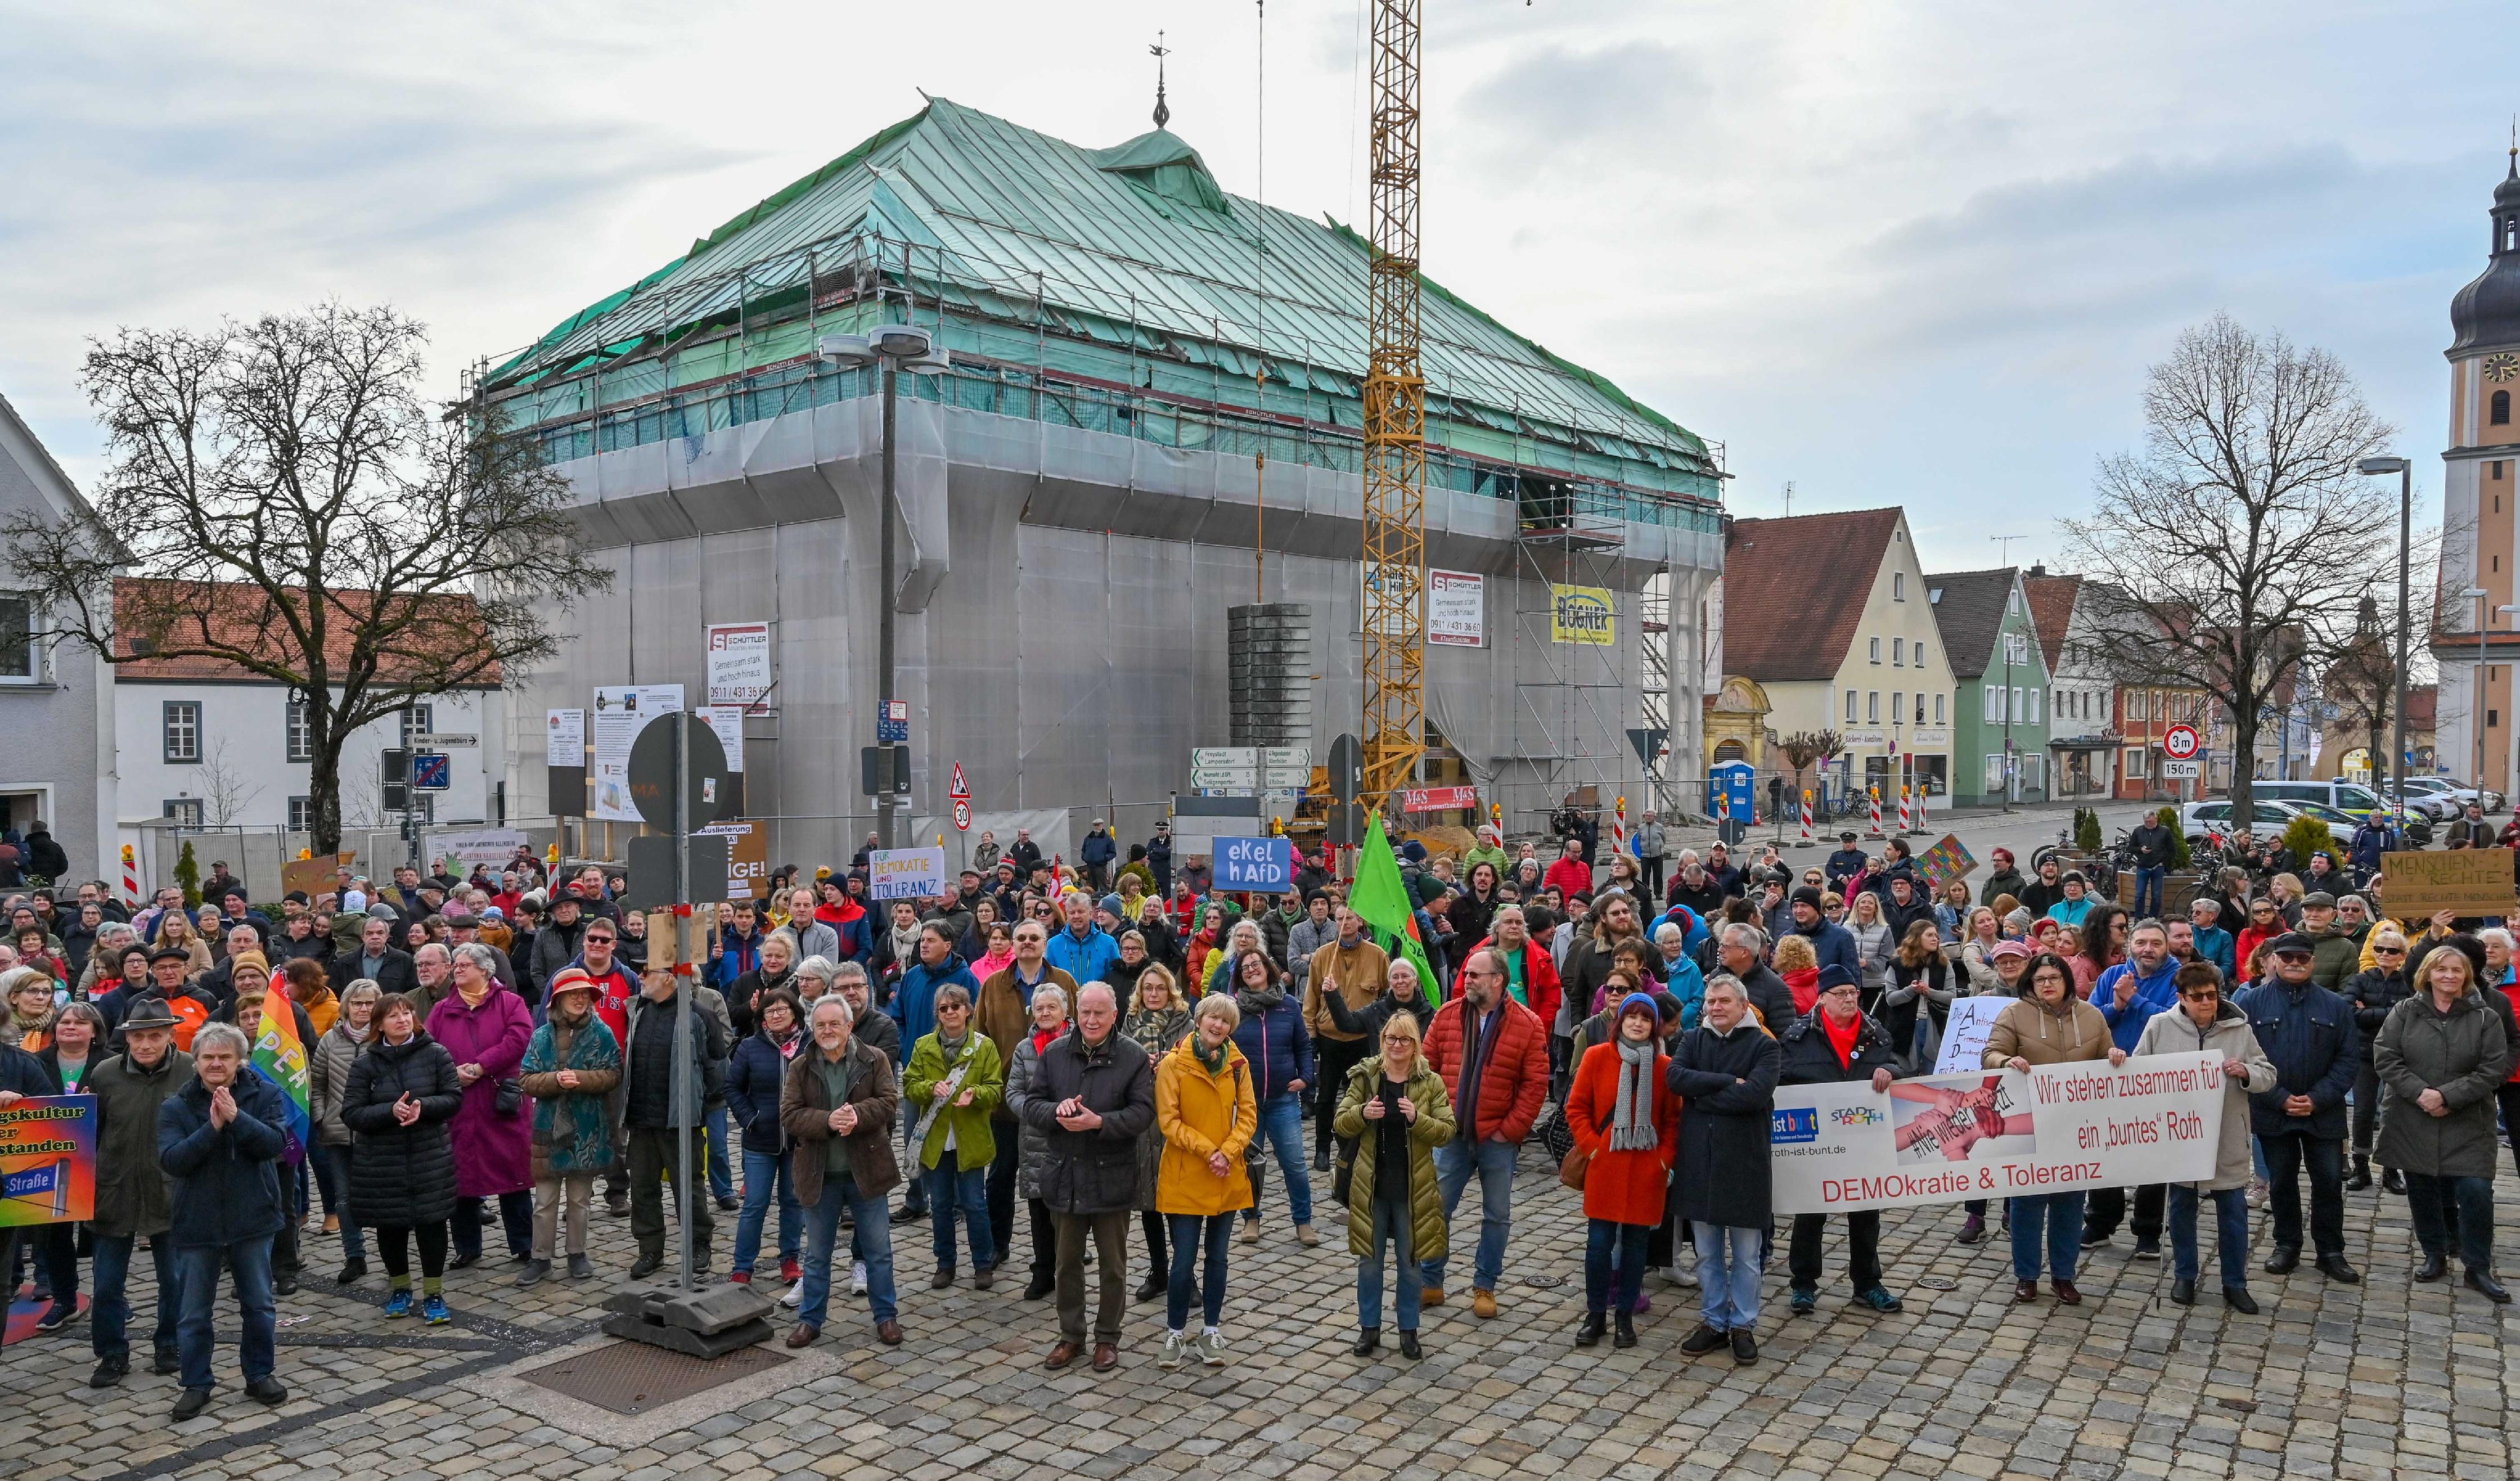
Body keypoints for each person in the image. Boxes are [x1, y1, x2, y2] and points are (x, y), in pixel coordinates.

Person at [2122, 962, 2276, 1310]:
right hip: (2180, 1135)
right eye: (2198, 997)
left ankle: (2235, 1282)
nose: (2207, 1002)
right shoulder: (2160, 1026)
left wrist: (2246, 1072)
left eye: (2212, 995)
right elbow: (2138, 1072)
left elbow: (2269, 1075)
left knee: (2234, 1213)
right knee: (2180, 1208)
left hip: (2226, 1134)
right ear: (2181, 998)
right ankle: (2185, 1275)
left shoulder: (2239, 1029)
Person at [1020, 982, 1156, 1372]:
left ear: (1115, 1015)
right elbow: (1033, 1104)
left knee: (1113, 1264)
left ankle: (1107, 1337)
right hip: (1065, 1171)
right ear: (1075, 1014)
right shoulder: (1056, 1052)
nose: (1092, 1020)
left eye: (1100, 1013)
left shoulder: (1132, 1056)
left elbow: (1143, 1112)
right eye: (1085, 1012)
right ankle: (1071, 1335)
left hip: (1111, 1172)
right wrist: (1057, 1110)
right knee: (1067, 1262)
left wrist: (1100, 1121)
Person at [157, 1022, 290, 1418]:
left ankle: (259, 1373)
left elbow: (275, 1145)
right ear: (195, 1061)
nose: (216, 1063)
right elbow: (173, 1160)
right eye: (208, 1057)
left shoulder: (265, 1093)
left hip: (253, 1216)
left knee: (260, 1305)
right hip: (197, 1222)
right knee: (194, 1311)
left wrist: (237, 1118)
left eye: (224, 1057)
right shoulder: (175, 1106)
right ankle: (196, 1383)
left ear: (239, 1060)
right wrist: (213, 1127)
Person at [1411, 946, 1550, 1316]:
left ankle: (1485, 1285)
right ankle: (1431, 1282)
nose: (1467, 979)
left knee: (1497, 1215)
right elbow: (1425, 1071)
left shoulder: (1528, 1023)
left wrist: (1512, 1129)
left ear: (1498, 979)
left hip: (1497, 1140)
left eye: (1475, 974)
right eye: (1467, 973)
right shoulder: (1447, 1015)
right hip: (1451, 1137)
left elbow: (1535, 1083)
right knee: (1436, 1209)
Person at [2375, 943, 2512, 1300]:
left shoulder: (2487, 1017)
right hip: (2412, 1115)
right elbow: (2387, 1057)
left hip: (2467, 1120)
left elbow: (2492, 1069)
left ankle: (2477, 1266)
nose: (2449, 976)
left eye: (2456, 970)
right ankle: (2434, 1254)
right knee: (2422, 1189)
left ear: (2467, 975)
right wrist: (2422, 1094)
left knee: (2475, 1191)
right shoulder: (2405, 1012)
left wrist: (2447, 1096)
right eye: (2441, 969)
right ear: (2428, 974)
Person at [2231, 930, 2361, 1285]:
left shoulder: (2335, 1005)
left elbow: (2348, 1060)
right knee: (2282, 1183)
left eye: (2301, 959)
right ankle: (2286, 1245)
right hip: (2273, 1109)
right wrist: (2278, 1097)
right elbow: (2242, 1059)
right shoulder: (2251, 1004)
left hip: (2324, 1112)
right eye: (2286, 957)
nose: (2293, 963)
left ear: (2312, 963)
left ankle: (2331, 1251)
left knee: (2329, 1183)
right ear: (2273, 960)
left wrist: (2318, 1099)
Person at [1984, 952, 2113, 1304]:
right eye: (2040, 979)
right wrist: (2007, 1060)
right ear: (2031, 982)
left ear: (2066, 981)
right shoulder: (2014, 1014)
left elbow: (2107, 1056)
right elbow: (1990, 1054)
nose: (2047, 985)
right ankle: (2026, 1275)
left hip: (2076, 1126)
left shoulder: (2091, 1015)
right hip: (2030, 1124)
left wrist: (2116, 1057)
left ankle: (2064, 1276)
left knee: (2070, 1205)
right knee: (2028, 1203)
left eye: (2054, 978)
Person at [1776, 973, 1906, 1316]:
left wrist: (1891, 1069)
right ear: (1822, 999)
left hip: (1863, 1140)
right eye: (1841, 994)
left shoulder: (1875, 1034)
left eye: (1854, 993)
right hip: (1817, 1141)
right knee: (1811, 1213)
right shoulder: (1798, 1039)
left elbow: (1903, 1066)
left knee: (1866, 1214)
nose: (1850, 999)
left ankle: (1867, 1283)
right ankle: (1803, 1283)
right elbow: (1779, 1080)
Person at [780, 996, 906, 1345]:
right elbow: (789, 1115)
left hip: (865, 1171)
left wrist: (858, 1116)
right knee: (817, 1254)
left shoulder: (873, 1058)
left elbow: (889, 1101)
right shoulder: (801, 1067)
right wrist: (828, 1121)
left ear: (849, 1026)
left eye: (835, 1024)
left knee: (878, 1251)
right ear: (812, 1029)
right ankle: (810, 1321)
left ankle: (886, 1317)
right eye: (820, 1025)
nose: (827, 1030)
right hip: (820, 1176)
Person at [1331, 1009, 1454, 1360]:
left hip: (1413, 1189)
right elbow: (1340, 1123)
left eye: (1404, 1040)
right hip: (1371, 1186)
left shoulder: (1429, 1082)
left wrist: (1418, 1119)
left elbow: (1447, 1131)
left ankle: (1408, 1330)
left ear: (1415, 1045)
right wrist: (1361, 1115)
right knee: (1369, 1262)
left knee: (1410, 1261)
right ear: (1382, 1041)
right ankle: (1369, 1328)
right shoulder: (1367, 1076)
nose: (1396, 1045)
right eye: (1390, 1039)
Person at [1668, 976, 1778, 1365]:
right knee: (1707, 1254)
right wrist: (1727, 1081)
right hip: (1700, 1160)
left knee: (1747, 1256)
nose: (1715, 1006)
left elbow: (1755, 1095)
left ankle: (1743, 1324)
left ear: (1743, 1004)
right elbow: (1676, 1078)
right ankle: (1714, 1320)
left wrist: (1702, 1096)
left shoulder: (1765, 1045)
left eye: (1724, 1000)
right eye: (1711, 1000)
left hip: (1745, 1163)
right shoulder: (1694, 1040)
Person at [84, 1000, 192, 1388]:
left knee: (175, 1279)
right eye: (138, 1036)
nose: (145, 1044)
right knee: (108, 1282)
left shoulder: (190, 1070)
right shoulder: (105, 1073)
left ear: (170, 1035)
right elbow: (87, 1135)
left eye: (154, 1036)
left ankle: (170, 1343)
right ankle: (112, 1353)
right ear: (126, 1037)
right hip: (113, 1190)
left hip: (171, 1191)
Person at [1564, 992, 1681, 1349]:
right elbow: (1577, 1108)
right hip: (1607, 1165)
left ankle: (1625, 1318)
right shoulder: (1597, 1056)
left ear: (1654, 1026)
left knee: (1635, 1248)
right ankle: (1596, 1314)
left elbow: (1673, 1120)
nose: (1637, 1023)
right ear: (1620, 1021)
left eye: (1645, 1019)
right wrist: (1594, 1148)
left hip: (1646, 1169)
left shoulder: (1664, 1066)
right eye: (1632, 1016)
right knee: (1598, 1245)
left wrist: (1663, 1159)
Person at [343, 992, 464, 1322]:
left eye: (407, 1013)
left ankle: (434, 1293)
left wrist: (423, 1108)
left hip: (429, 1156)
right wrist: (389, 1111)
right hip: (382, 1162)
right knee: (391, 1228)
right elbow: (352, 1113)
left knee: (432, 1226)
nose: (402, 1019)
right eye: (394, 1015)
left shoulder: (436, 1054)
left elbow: (453, 1098)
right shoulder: (365, 1064)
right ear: (380, 1025)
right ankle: (400, 1288)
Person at [1153, 993, 1256, 1367]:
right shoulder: (1172, 1065)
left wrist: (1226, 1152)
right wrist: (1207, 1150)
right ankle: (1175, 1332)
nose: (1218, 1025)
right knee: (1183, 1261)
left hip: (1226, 1174)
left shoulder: (1238, 1064)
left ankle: (1211, 1328)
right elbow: (1169, 1121)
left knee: (1218, 1257)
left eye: (1226, 1021)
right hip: (1186, 1174)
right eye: (1213, 1017)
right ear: (1199, 1019)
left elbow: (1248, 1115)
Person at [424, 943, 535, 1267]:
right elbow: (429, 1049)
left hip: (501, 1104)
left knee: (513, 1178)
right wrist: (453, 1073)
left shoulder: (510, 1004)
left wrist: (480, 1066)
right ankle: (467, 1247)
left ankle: (523, 1244)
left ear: (485, 971)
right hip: (460, 1105)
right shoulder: (442, 1010)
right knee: (463, 1180)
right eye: (456, 965)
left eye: (465, 965)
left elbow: (518, 1040)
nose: (457, 970)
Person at [622, 965, 728, 1278]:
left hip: (681, 1122)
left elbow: (718, 1069)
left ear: (668, 977)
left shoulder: (699, 1015)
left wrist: (695, 1105)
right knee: (642, 1189)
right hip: (641, 1120)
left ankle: (699, 1244)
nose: (640, 977)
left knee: (689, 1189)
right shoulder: (639, 1010)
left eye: (647, 972)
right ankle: (650, 1249)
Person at [517, 970, 622, 1286]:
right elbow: (525, 1078)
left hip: (588, 1127)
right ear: (559, 999)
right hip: (549, 1126)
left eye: (585, 994)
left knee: (580, 1200)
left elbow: (614, 1073)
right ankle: (540, 1258)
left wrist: (583, 1079)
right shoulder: (541, 1036)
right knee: (545, 1200)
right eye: (573, 993)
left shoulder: (602, 1033)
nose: (580, 999)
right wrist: (553, 1081)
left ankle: (577, 1253)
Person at [905, 984, 1006, 1289]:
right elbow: (910, 1085)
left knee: (975, 1204)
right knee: (941, 1205)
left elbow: (996, 1089)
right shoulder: (924, 1046)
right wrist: (929, 1088)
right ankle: (945, 1264)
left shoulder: (984, 1046)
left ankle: (983, 1264)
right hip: (937, 1140)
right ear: (937, 1014)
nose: (950, 1013)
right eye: (944, 1009)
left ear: (968, 1010)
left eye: (956, 1007)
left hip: (969, 1138)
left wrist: (975, 1094)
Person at [1225, 947, 1315, 1246]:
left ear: (1268, 968)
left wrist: (1305, 1077)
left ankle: (1303, 1221)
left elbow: (1304, 1046)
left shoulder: (1289, 1005)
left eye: (1256, 964)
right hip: (1247, 1104)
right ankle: (1251, 1218)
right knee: (1250, 1164)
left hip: (1283, 1100)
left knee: (1295, 1164)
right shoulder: (1233, 1009)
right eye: (1245, 967)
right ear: (1239, 976)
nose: (1251, 969)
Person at [1120, 964, 1192, 1302]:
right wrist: (1139, 1065)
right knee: (1148, 1202)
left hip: (1176, 1117)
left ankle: (1186, 1275)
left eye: (1159, 989)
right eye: (1148, 988)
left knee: (1178, 1202)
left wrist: (1171, 1062)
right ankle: (1159, 1270)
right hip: (1141, 1119)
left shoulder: (1186, 1023)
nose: (1153, 994)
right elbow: (1116, 1065)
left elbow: (1199, 1065)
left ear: (1170, 991)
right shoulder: (1129, 1024)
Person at [1304, 907, 1390, 1171]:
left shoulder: (1378, 956)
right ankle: (1322, 1148)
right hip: (1330, 1037)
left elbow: (1388, 998)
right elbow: (1311, 999)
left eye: (1350, 918)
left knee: (1365, 1096)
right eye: (1340, 918)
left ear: (1360, 921)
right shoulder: (1322, 956)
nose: (1345, 923)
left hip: (1363, 1039)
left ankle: (1357, 1147)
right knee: (1326, 1097)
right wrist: (1311, 1034)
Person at [308, 979, 381, 1283]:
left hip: (377, 1131)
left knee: (383, 1196)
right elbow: (318, 1084)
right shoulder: (330, 1039)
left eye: (369, 1003)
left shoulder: (384, 1038)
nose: (363, 1009)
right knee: (344, 1198)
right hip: (338, 1132)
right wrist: (321, 1117)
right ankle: (355, 1256)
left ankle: (393, 1255)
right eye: (357, 1003)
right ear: (346, 1006)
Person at [1006, 982, 1073, 1302]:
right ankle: (1043, 1271)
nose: (1045, 1013)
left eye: (1052, 1007)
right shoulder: (1025, 1048)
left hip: (1073, 1137)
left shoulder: (1078, 1042)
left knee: (1071, 1213)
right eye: (1040, 1007)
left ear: (1065, 1011)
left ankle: (1069, 1271)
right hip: (1035, 1138)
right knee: (1039, 1212)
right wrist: (1044, 1115)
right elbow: (1014, 1093)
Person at [2344, 928, 2415, 1192]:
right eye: (2379, 949)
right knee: (2363, 1111)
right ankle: (2360, 1166)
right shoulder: (2361, 980)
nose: (2385, 954)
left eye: (2392, 950)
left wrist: (2369, 1012)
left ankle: (2391, 1168)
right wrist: (2391, 1013)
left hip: (2397, 1055)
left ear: (2402, 955)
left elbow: (2410, 1015)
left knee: (2392, 1111)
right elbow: (2348, 1011)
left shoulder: (2409, 983)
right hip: (2364, 1053)